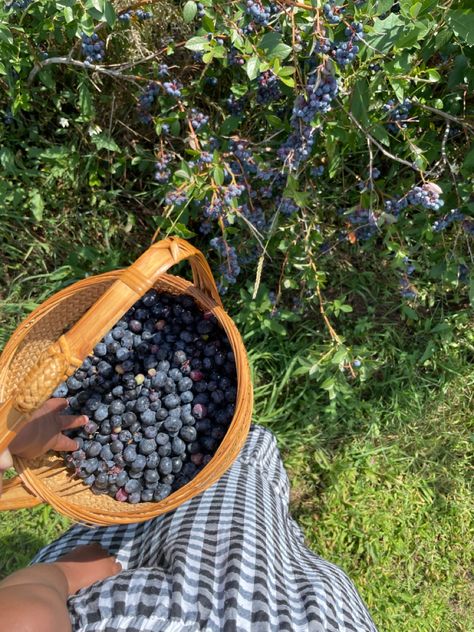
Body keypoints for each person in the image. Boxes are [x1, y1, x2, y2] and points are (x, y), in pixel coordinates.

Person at [0, 399, 378, 632]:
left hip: (117, 579)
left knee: (221, 484)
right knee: (235, 484)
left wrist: (68, 573)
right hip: (255, 582)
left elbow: (22, 616)